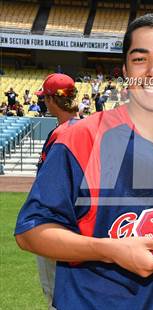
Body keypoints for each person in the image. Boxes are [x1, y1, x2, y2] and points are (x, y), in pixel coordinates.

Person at [15, 14, 153, 310]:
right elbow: (30, 233)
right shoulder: (80, 138)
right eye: (140, 59)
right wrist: (110, 251)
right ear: (126, 68)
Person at [32, 73, 81, 309]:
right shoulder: (88, 127)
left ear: (52, 100)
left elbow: (51, 186)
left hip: (57, 224)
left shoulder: (62, 134)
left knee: (56, 296)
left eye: (45, 98)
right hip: (82, 225)